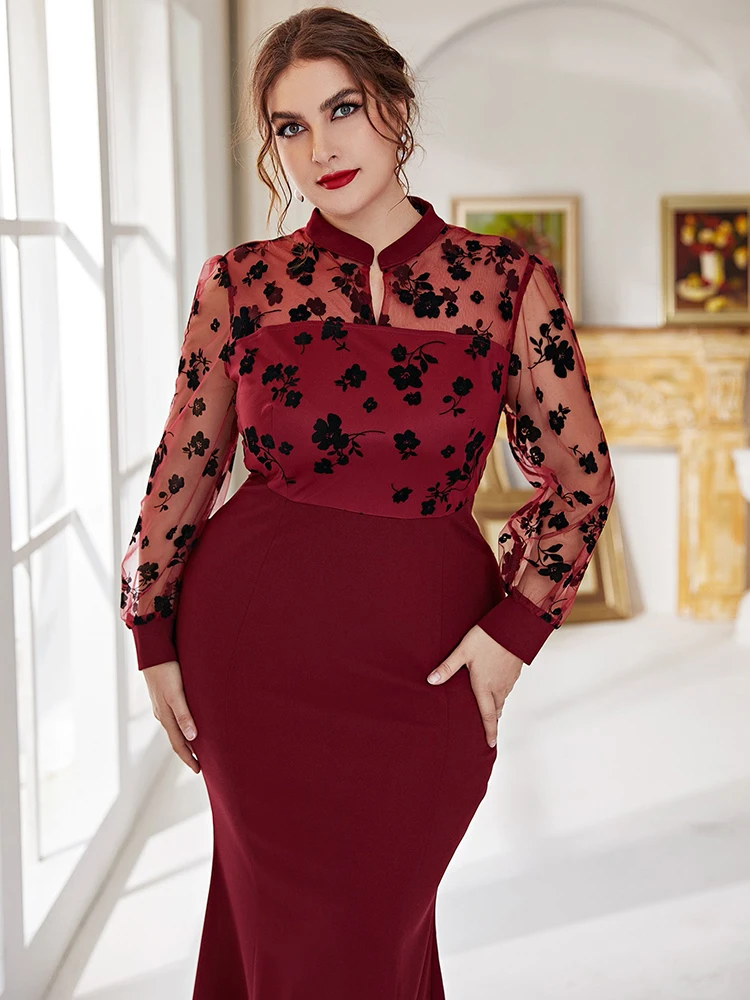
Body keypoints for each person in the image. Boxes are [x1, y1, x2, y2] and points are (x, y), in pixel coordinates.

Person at [119, 7, 615, 998]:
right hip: (252, 657)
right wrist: (153, 634)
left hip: (426, 667)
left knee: (373, 934)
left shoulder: (505, 283)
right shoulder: (239, 284)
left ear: (394, 105)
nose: (321, 148)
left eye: (342, 109)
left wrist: (514, 634)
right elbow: (186, 464)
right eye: (291, 126)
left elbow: (582, 476)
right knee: (293, 941)